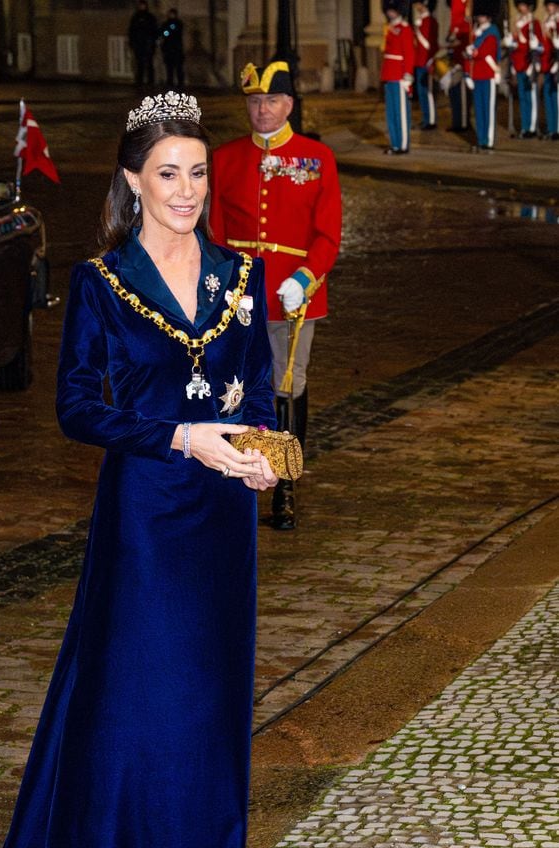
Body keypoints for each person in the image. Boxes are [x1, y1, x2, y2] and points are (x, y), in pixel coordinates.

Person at [0, 91, 278, 848]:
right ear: (132, 181)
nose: (186, 191)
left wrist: (264, 454)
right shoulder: (103, 284)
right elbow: (77, 409)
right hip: (147, 519)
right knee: (134, 705)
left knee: (208, 706)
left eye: (196, 173)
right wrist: (177, 436)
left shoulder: (241, 277)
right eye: (167, 175)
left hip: (224, 521)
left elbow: (258, 387)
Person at [209, 61, 342, 531]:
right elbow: (218, 233)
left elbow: (328, 235)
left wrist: (304, 278)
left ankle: (284, 487)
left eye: (269, 101)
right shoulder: (224, 158)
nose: (261, 110)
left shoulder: (315, 157)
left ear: (288, 104)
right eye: (253, 101)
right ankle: (242, 475)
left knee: (288, 389)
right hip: (240, 297)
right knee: (236, 391)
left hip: (292, 297)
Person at [504, 0, 544, 135]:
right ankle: (524, 126)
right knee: (521, 97)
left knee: (531, 97)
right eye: (520, 5)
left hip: (529, 65)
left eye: (524, 5)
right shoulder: (517, 23)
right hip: (519, 65)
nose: (522, 8)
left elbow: (539, 46)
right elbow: (516, 45)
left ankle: (532, 128)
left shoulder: (534, 23)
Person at [380, 0, 415, 154]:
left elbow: (409, 53)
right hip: (389, 74)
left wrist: (407, 75)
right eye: (389, 10)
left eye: (393, 10)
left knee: (401, 113)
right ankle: (395, 144)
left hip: (400, 76)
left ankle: (403, 144)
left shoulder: (405, 29)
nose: (390, 13)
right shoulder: (390, 28)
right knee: (391, 113)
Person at [465, 0, 501, 150]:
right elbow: (470, 56)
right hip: (477, 75)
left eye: (482, 15)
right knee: (479, 110)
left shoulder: (492, 31)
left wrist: (473, 51)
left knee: (488, 110)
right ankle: (481, 139)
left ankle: (488, 140)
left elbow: (487, 52)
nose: (480, 18)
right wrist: (468, 74)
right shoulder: (476, 32)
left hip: (488, 74)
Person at [443, 0, 472, 132]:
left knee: (463, 89)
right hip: (455, 51)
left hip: (465, 50)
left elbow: (470, 27)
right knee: (454, 89)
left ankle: (464, 122)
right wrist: (450, 36)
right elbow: (454, 23)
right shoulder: (455, 2)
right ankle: (457, 121)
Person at [413, 0, 439, 129]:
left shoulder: (430, 21)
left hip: (426, 61)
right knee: (421, 92)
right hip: (418, 60)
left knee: (427, 92)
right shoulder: (421, 21)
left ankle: (431, 120)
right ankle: (426, 118)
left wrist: (418, 31)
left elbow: (430, 44)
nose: (416, 6)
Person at [128, 0, 158, 87]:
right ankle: (139, 80)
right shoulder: (136, 17)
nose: (142, 7)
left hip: (148, 44)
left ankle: (150, 81)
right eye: (141, 6)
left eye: (143, 5)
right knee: (139, 63)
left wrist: (153, 42)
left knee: (149, 63)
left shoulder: (150, 17)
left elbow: (154, 30)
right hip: (139, 44)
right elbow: (132, 30)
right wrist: (132, 42)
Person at [541, 0, 559, 137]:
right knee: (548, 96)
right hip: (547, 63)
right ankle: (551, 127)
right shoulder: (547, 20)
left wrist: (552, 36)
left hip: (556, 63)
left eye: (552, 5)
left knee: (556, 96)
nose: (549, 8)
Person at [159, 7, 184, 88]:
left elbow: (177, 32)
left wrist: (170, 30)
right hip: (168, 48)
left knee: (178, 67)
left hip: (176, 48)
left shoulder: (178, 23)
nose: (171, 16)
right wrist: (168, 31)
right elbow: (164, 33)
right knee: (169, 67)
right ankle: (170, 82)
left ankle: (180, 83)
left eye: (173, 14)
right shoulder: (166, 24)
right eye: (170, 14)